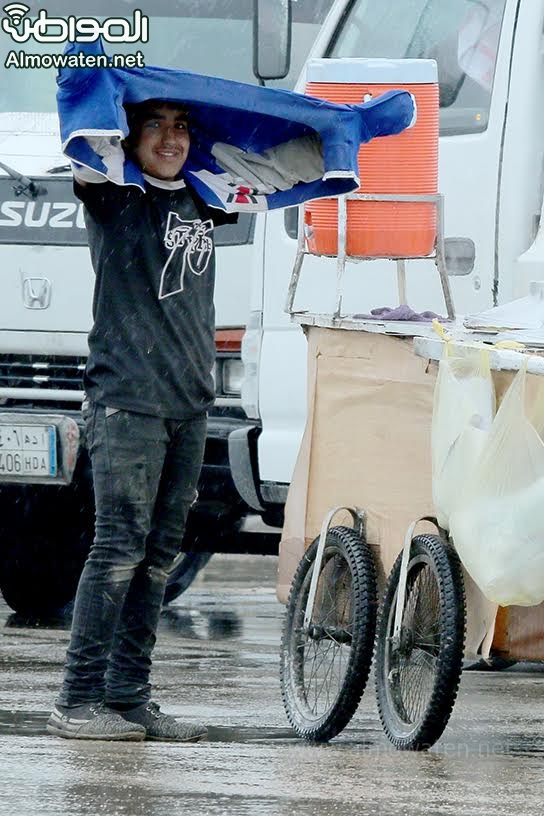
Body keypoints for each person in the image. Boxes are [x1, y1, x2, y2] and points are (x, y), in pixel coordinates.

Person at [46, 99, 236, 742]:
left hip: (189, 402)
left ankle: (128, 696)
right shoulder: (113, 195)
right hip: (126, 401)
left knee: (158, 557)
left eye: (183, 125)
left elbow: (268, 172)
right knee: (118, 549)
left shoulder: (205, 200)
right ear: (131, 137)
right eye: (155, 124)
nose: (171, 138)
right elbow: (88, 141)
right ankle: (76, 700)